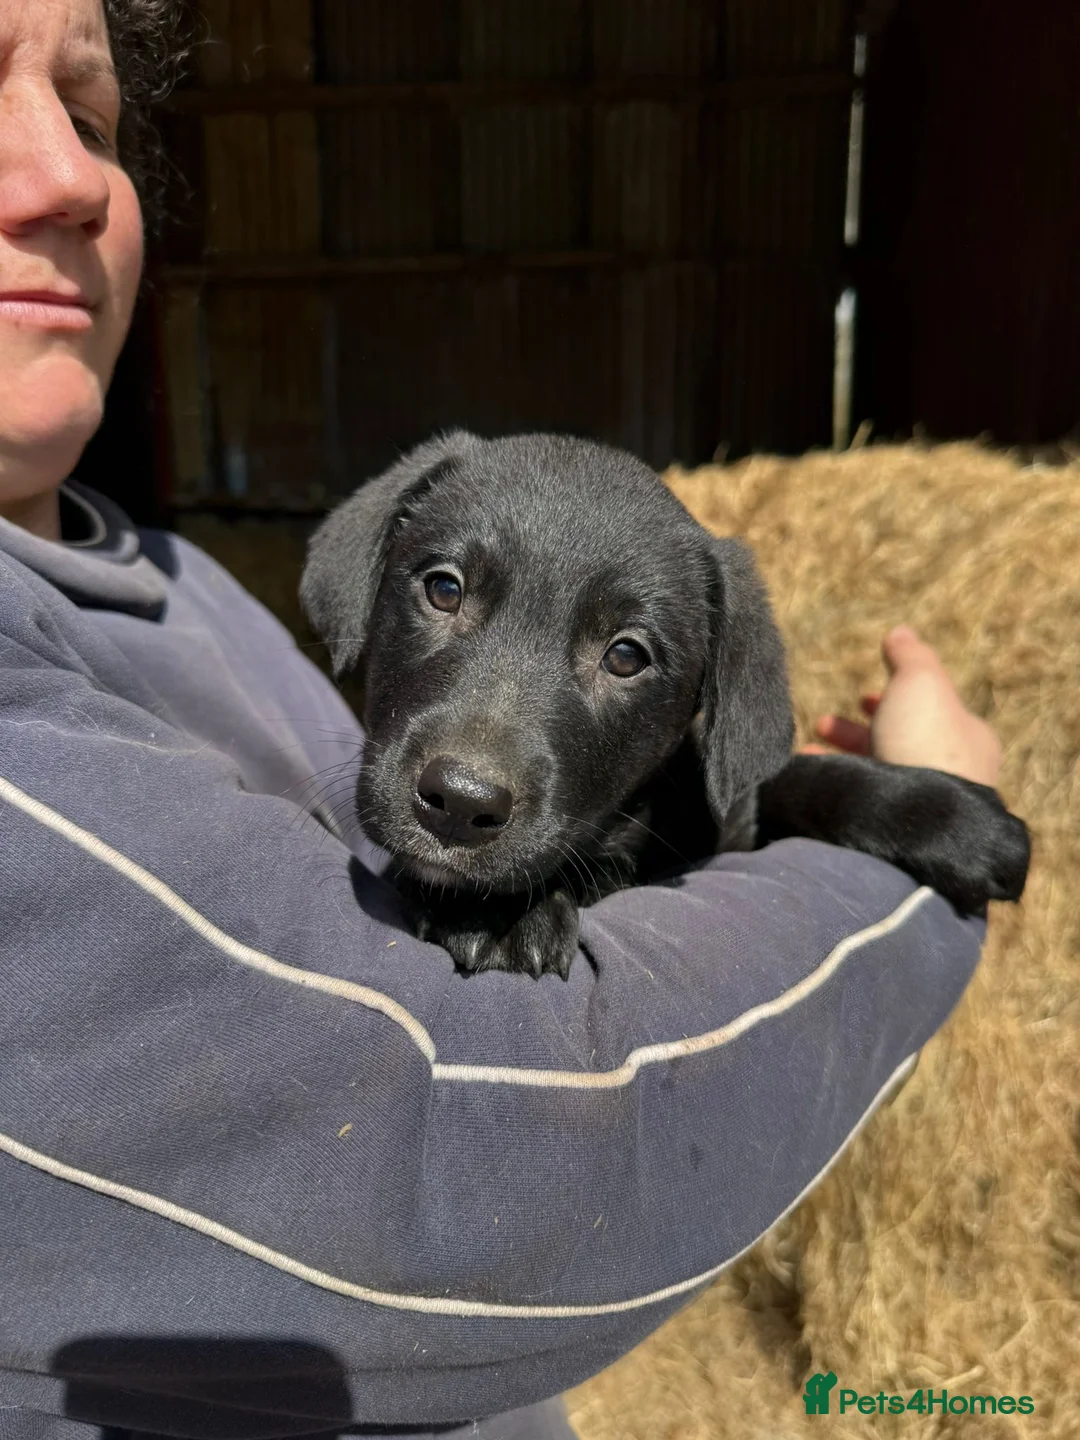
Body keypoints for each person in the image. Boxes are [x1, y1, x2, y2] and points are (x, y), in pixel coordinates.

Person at [0, 2, 1007, 1438]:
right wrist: (899, 885)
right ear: (382, 567)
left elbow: (731, 805)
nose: (64, 174)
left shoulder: (177, 580)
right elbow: (486, 1150)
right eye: (449, 590)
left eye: (94, 121)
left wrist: (840, 800)